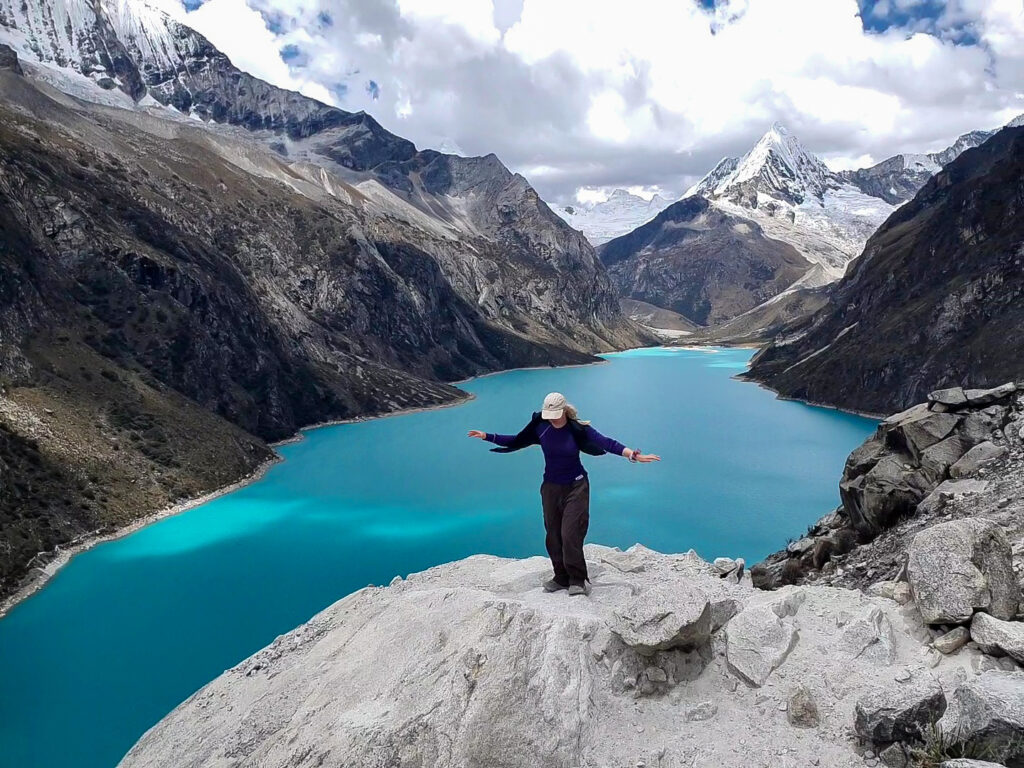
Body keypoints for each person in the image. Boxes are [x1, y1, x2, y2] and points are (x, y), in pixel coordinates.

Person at [468, 392, 660, 596]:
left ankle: (577, 579)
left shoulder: (578, 429)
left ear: (564, 410)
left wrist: (633, 455)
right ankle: (561, 577)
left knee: (570, 533)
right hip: (550, 488)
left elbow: (607, 443)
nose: (551, 418)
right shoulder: (540, 427)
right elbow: (516, 440)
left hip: (576, 487)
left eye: (555, 414)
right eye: (548, 414)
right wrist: (487, 436)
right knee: (553, 535)